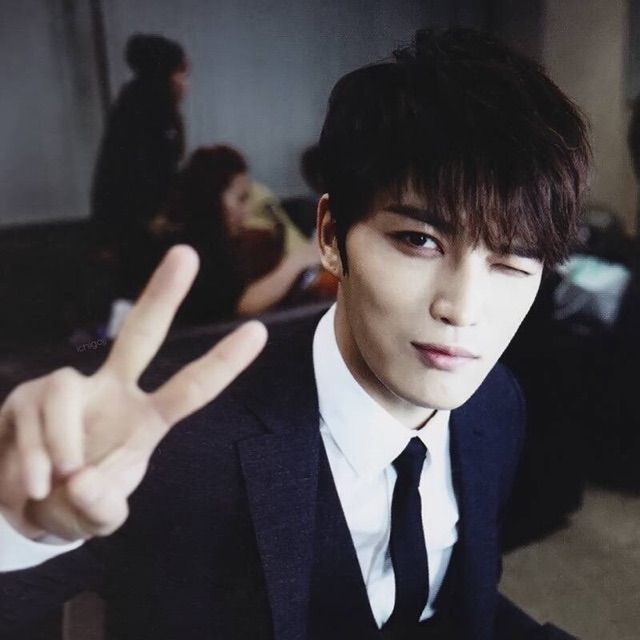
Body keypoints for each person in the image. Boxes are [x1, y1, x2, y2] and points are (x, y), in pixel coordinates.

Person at [0, 28, 589, 639]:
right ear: (330, 237)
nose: (463, 309)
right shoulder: (181, 441)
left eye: (511, 262)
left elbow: (465, 609)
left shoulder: (496, 404)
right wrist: (16, 525)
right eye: (419, 240)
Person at [151, 145, 323, 324]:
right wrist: (296, 262)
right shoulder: (195, 249)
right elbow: (241, 305)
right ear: (214, 198)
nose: (247, 211)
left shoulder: (219, 242)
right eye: (241, 199)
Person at [90, 33, 188, 301]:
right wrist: (151, 218)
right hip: (136, 232)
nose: (185, 83)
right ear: (165, 75)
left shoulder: (144, 106)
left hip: (140, 228)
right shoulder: (143, 113)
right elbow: (124, 177)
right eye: (181, 73)